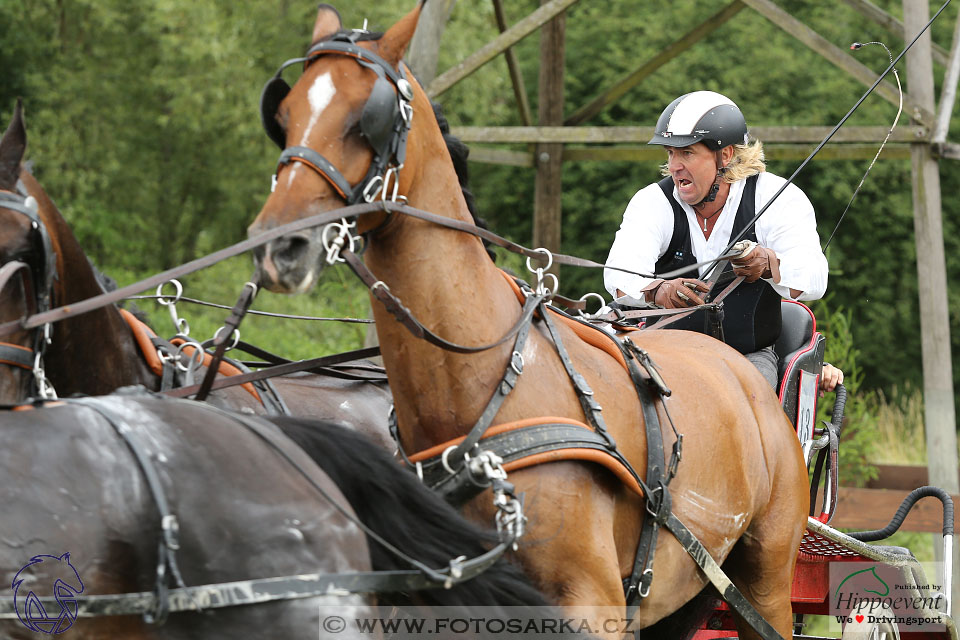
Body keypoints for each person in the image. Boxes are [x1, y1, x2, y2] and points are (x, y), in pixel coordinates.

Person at [604, 91, 828, 388]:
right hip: (663, 352)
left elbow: (815, 279)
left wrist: (770, 263)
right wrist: (657, 290)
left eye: (687, 153)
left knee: (751, 400)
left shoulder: (777, 197)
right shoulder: (652, 202)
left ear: (725, 155)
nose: (674, 166)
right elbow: (618, 273)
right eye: (670, 153)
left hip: (746, 356)